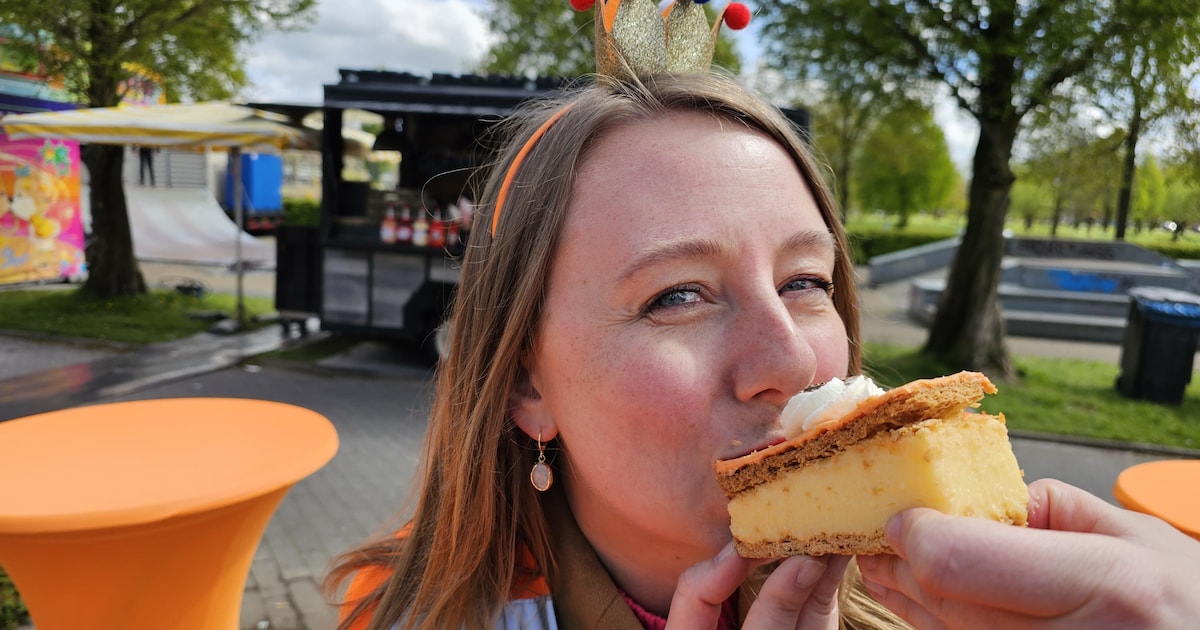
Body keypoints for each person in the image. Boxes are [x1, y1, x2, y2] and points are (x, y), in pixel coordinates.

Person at [324, 72, 1200, 630]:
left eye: (806, 282)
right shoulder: (411, 614)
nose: (793, 362)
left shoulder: (981, 613)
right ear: (524, 383)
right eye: (676, 296)